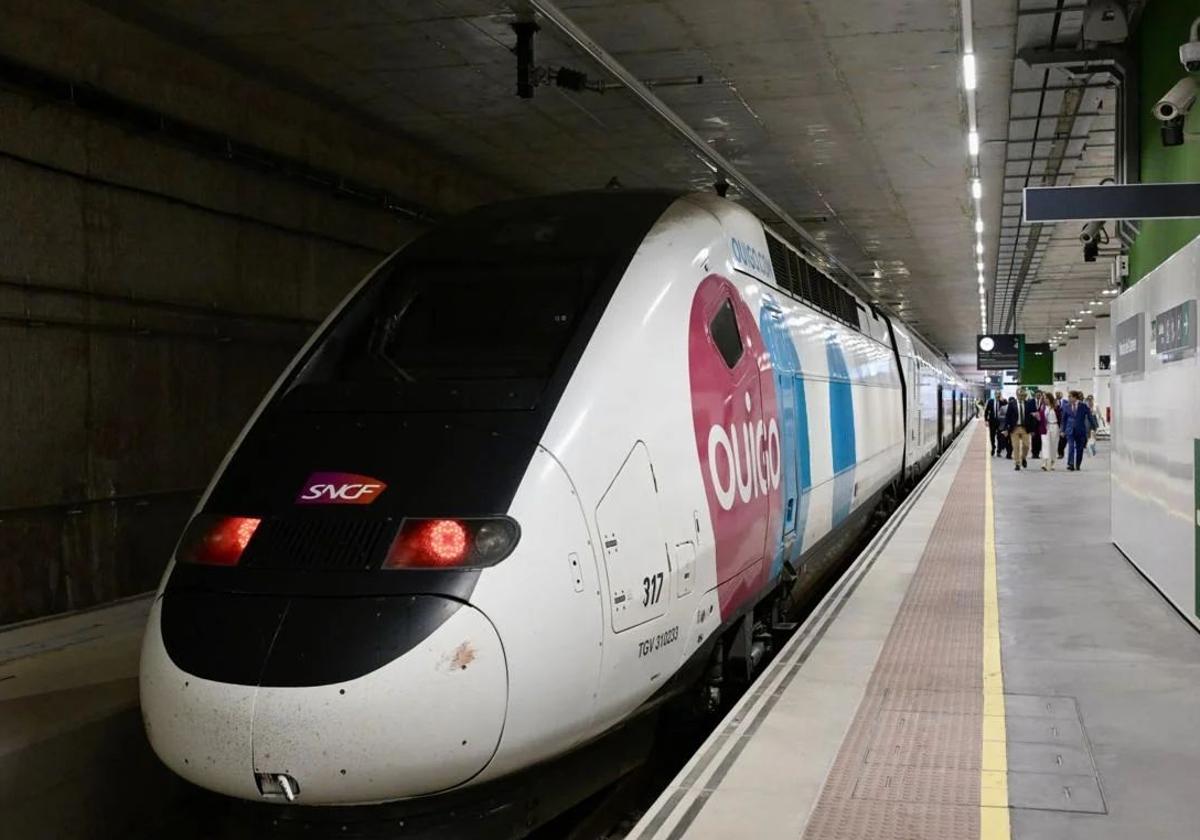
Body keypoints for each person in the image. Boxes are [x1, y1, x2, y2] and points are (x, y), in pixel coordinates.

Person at [1066, 391, 1093, 471]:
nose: (1069, 398)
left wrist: (1094, 427)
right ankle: (1071, 464)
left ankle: (1078, 464)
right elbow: (1064, 419)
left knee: (1079, 448)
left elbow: (1089, 416)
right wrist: (1062, 430)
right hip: (1070, 430)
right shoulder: (1067, 406)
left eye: (1070, 397)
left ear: (1075, 397)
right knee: (1070, 447)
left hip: (1080, 430)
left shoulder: (1083, 406)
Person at [1005, 392, 1031, 470]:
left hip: (1025, 428)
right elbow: (1008, 416)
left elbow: (1030, 416)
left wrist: (1032, 429)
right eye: (1020, 395)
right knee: (1016, 446)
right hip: (1015, 428)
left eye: (1023, 395)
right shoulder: (1012, 404)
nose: (1021, 396)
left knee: (1026, 446)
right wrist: (1007, 428)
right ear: (1017, 395)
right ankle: (1017, 463)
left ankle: (1023, 458)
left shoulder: (1028, 404)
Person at [1040, 392, 1060, 471]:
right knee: (1045, 444)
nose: (1045, 400)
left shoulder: (1056, 407)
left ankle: (1053, 462)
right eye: (1044, 398)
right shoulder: (1042, 408)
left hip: (1054, 426)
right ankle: (1044, 462)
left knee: (1053, 445)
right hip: (1045, 427)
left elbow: (1060, 418)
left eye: (1047, 398)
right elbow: (1040, 418)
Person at [1024, 390, 1041, 459]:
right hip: (1033, 423)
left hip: (1040, 423)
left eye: (1039, 395)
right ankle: (1034, 453)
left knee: (1039, 439)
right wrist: (1032, 414)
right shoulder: (1030, 402)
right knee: (1034, 438)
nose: (1038, 396)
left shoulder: (1043, 402)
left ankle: (1038, 452)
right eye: (1037, 394)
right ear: (1035, 395)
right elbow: (1027, 412)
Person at [1056, 390, 1069, 460]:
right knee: (1057, 439)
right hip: (1055, 423)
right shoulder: (1054, 402)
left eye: (1059, 393)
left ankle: (1061, 452)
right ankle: (1059, 452)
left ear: (1062, 394)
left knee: (1063, 439)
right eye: (1057, 394)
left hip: (1064, 423)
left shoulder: (1066, 402)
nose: (1058, 395)